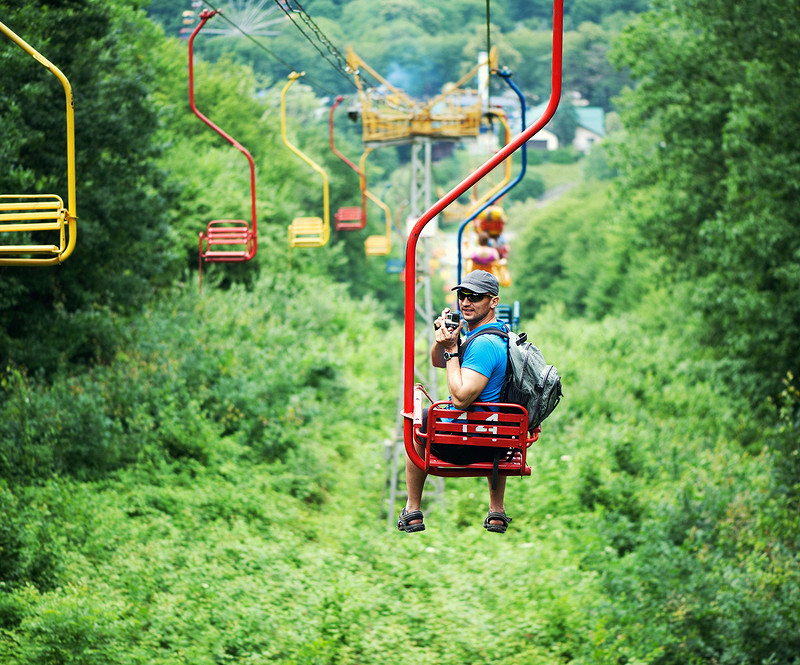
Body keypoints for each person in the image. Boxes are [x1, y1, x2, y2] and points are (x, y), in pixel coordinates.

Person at [397, 271, 513, 535]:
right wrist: (444, 340)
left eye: (475, 297)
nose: (466, 302)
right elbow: (438, 362)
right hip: (494, 440)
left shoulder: (484, 345)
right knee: (431, 415)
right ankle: (496, 508)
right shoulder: (493, 334)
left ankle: (412, 507)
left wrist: (451, 350)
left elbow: (460, 400)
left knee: (418, 418)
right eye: (463, 295)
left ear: (493, 301)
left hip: (468, 442)